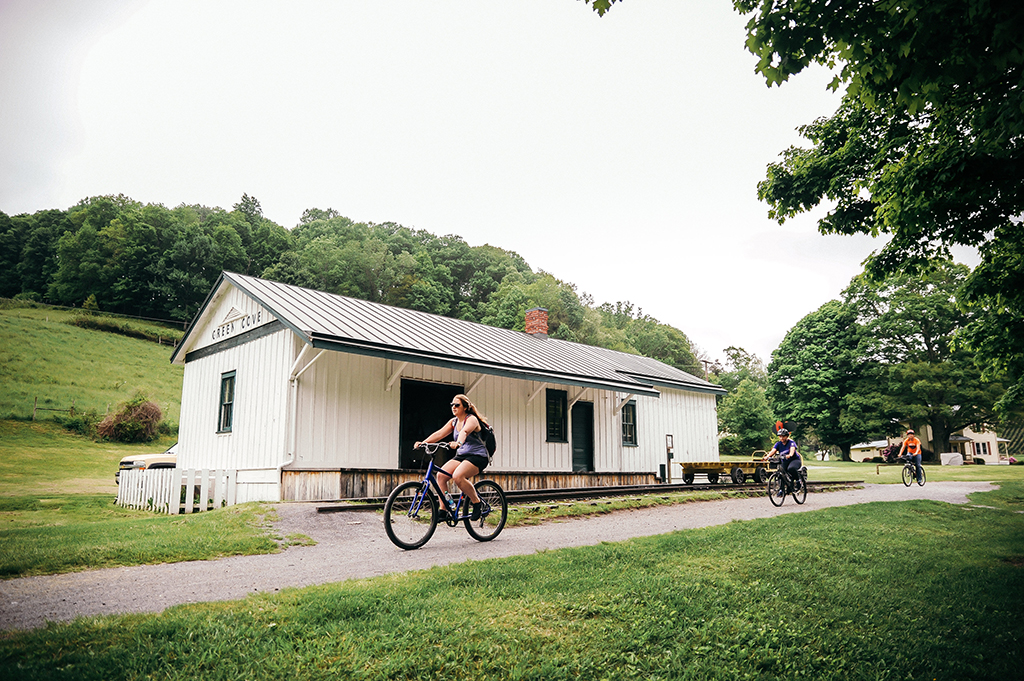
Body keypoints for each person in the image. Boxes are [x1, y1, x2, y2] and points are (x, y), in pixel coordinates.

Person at [415, 394, 490, 521]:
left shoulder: (471, 419)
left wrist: (458, 443)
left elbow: (464, 432)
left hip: (478, 456)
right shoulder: (454, 422)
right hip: (462, 456)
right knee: (441, 476)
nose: (453, 407)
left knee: (457, 476)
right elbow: (439, 434)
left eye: (457, 405)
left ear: (465, 407)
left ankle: (477, 503)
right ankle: (445, 509)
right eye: (452, 405)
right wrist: (423, 442)